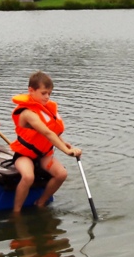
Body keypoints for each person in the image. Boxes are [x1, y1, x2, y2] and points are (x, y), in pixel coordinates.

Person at [9, 71, 80, 214]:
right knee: (28, 177)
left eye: (49, 93)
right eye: (43, 93)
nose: (47, 97)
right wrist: (66, 152)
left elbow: (54, 131)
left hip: (44, 154)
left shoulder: (48, 108)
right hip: (24, 155)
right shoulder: (27, 113)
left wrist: (64, 143)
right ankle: (16, 212)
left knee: (61, 174)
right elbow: (47, 133)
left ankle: (41, 202)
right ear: (31, 91)